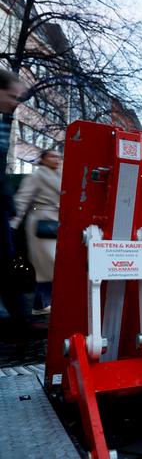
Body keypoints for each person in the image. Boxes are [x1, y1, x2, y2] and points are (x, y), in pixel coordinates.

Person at [11, 149, 62, 314]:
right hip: (41, 222)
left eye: (58, 156)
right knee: (50, 264)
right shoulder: (36, 176)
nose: (56, 159)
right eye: (52, 156)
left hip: (58, 222)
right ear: (43, 159)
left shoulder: (62, 175)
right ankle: (41, 304)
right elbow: (22, 199)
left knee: (51, 265)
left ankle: (41, 303)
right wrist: (13, 223)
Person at [0, 69, 28, 321]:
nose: (15, 102)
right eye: (12, 95)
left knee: (6, 263)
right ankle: (21, 317)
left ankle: (21, 317)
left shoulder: (3, 120)